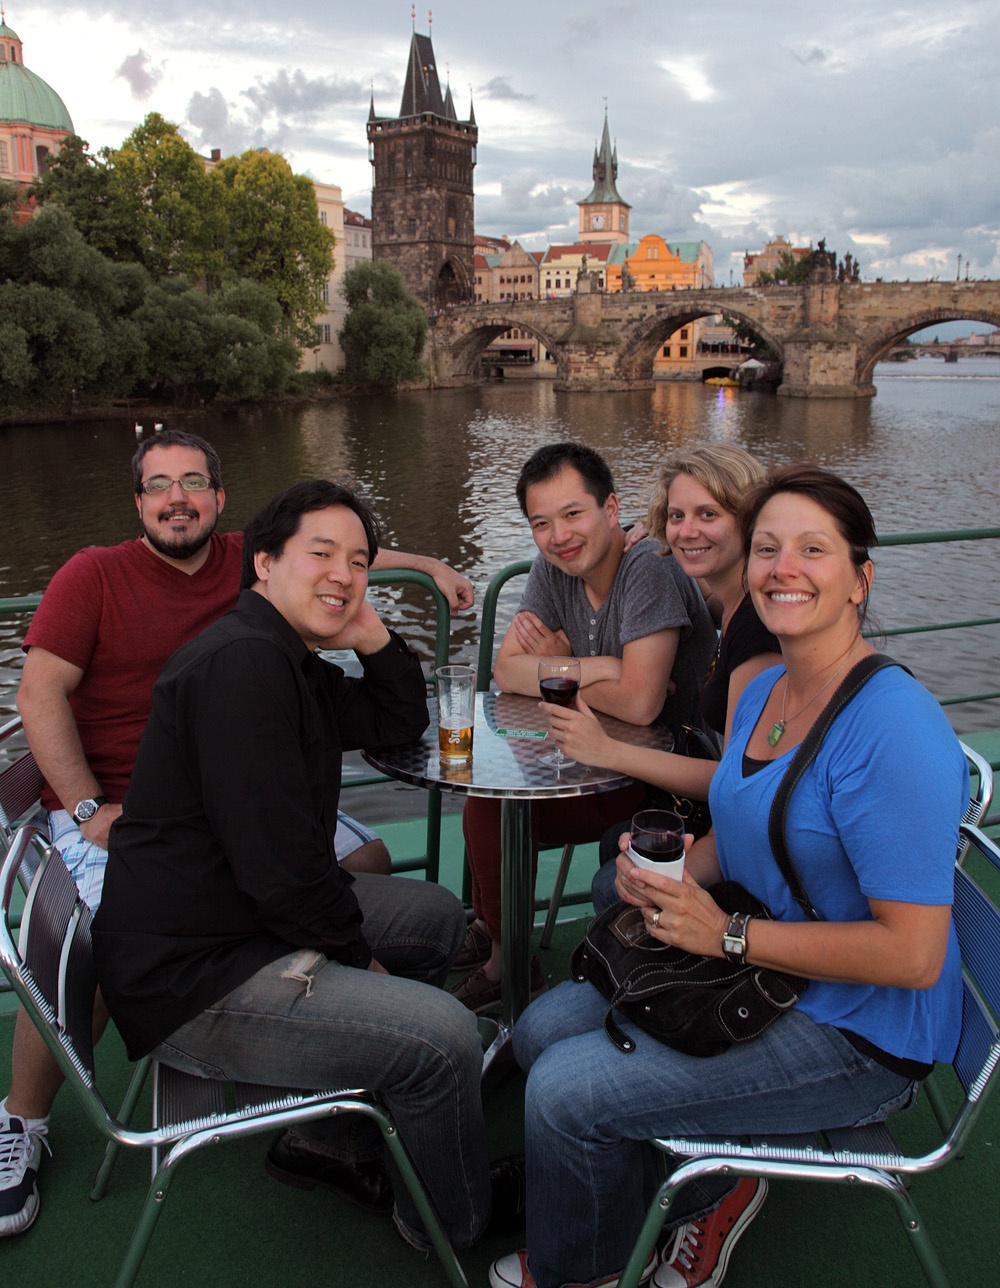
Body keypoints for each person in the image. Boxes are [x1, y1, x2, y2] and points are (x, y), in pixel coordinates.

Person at [490, 464, 966, 1288]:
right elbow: (742, 822)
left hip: (860, 1029)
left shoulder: (892, 728)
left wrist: (727, 937)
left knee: (566, 1091)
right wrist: (664, 879)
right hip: (773, 968)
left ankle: (595, 1256)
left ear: (860, 576)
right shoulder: (770, 690)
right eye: (771, 547)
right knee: (539, 1032)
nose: (785, 567)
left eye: (813, 549)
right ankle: (705, 1178)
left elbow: (915, 953)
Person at [0, 428, 474, 1239]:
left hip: (220, 895)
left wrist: (371, 631)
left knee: (432, 914)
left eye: (358, 563)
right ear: (262, 562)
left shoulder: (281, 653)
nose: (344, 575)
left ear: (221, 505)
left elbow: (395, 717)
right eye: (322, 556)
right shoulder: (237, 664)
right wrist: (360, 960)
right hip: (199, 969)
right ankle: (454, 1217)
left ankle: (335, 1127)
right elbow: (285, 876)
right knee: (446, 1036)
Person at [451, 441, 716, 1014]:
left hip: (664, 782)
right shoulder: (554, 570)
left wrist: (554, 671)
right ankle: (501, 934)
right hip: (591, 758)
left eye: (573, 514)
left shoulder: (649, 567)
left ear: (612, 509)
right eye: (541, 523)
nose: (559, 535)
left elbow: (643, 704)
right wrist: (595, 667)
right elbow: (504, 673)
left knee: (494, 808)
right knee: (488, 797)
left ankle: (505, 961)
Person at [541, 445, 781, 911]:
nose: (687, 530)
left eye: (708, 513)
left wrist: (607, 750)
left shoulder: (758, 630)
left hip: (749, 834)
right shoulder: (733, 605)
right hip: (724, 812)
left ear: (750, 519)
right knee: (617, 840)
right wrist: (658, 533)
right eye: (677, 515)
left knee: (613, 881)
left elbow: (738, 785)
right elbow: (706, 596)